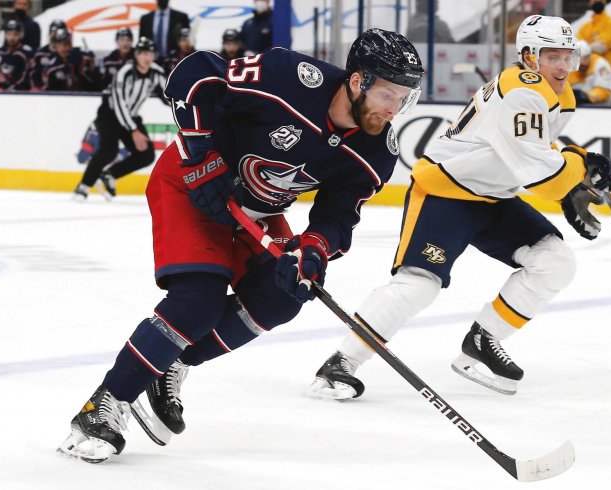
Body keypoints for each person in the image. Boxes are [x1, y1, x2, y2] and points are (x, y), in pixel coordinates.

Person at [56, 28, 423, 463]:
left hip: (258, 211)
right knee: (198, 301)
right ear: (358, 81)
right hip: (192, 182)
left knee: (283, 297)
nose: (394, 108)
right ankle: (104, 404)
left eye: (404, 99)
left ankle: (171, 363)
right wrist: (200, 156)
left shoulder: (377, 151)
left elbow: (338, 216)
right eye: (388, 94)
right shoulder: (289, 76)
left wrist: (313, 250)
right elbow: (193, 76)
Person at [307, 15, 611, 401]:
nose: (564, 66)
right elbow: (542, 175)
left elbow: (531, 153)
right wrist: (579, 167)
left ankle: (483, 342)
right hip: (446, 191)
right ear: (528, 56)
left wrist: (574, 176)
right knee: (418, 286)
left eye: (569, 56)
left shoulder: (555, 93)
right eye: (552, 55)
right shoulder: (523, 91)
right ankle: (340, 363)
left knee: (555, 261)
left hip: (492, 196)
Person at [73, 37, 166, 201]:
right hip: (109, 114)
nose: (147, 58)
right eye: (143, 53)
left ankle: (109, 175)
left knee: (146, 155)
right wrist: (134, 130)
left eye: (151, 54)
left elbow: (167, 95)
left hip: (131, 116)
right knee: (109, 150)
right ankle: (83, 186)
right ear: (136, 54)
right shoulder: (125, 72)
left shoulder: (156, 72)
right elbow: (119, 104)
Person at [569, 40, 611, 105]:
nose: (580, 63)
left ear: (589, 56)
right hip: (587, 106)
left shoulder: (601, 65)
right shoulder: (571, 67)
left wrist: (587, 97)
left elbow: (605, 90)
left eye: (584, 58)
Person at [0, 19, 34, 91]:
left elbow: (27, 78)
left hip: (20, 94)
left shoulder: (26, 53)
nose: (12, 37)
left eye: (15, 34)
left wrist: (10, 90)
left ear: (21, 35)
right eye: (9, 34)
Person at [576, 0, 611, 71]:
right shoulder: (585, 27)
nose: (597, 3)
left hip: (606, 70)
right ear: (590, 3)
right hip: (585, 72)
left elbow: (602, 47)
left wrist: (586, 46)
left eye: (599, 1)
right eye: (595, 1)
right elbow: (578, 45)